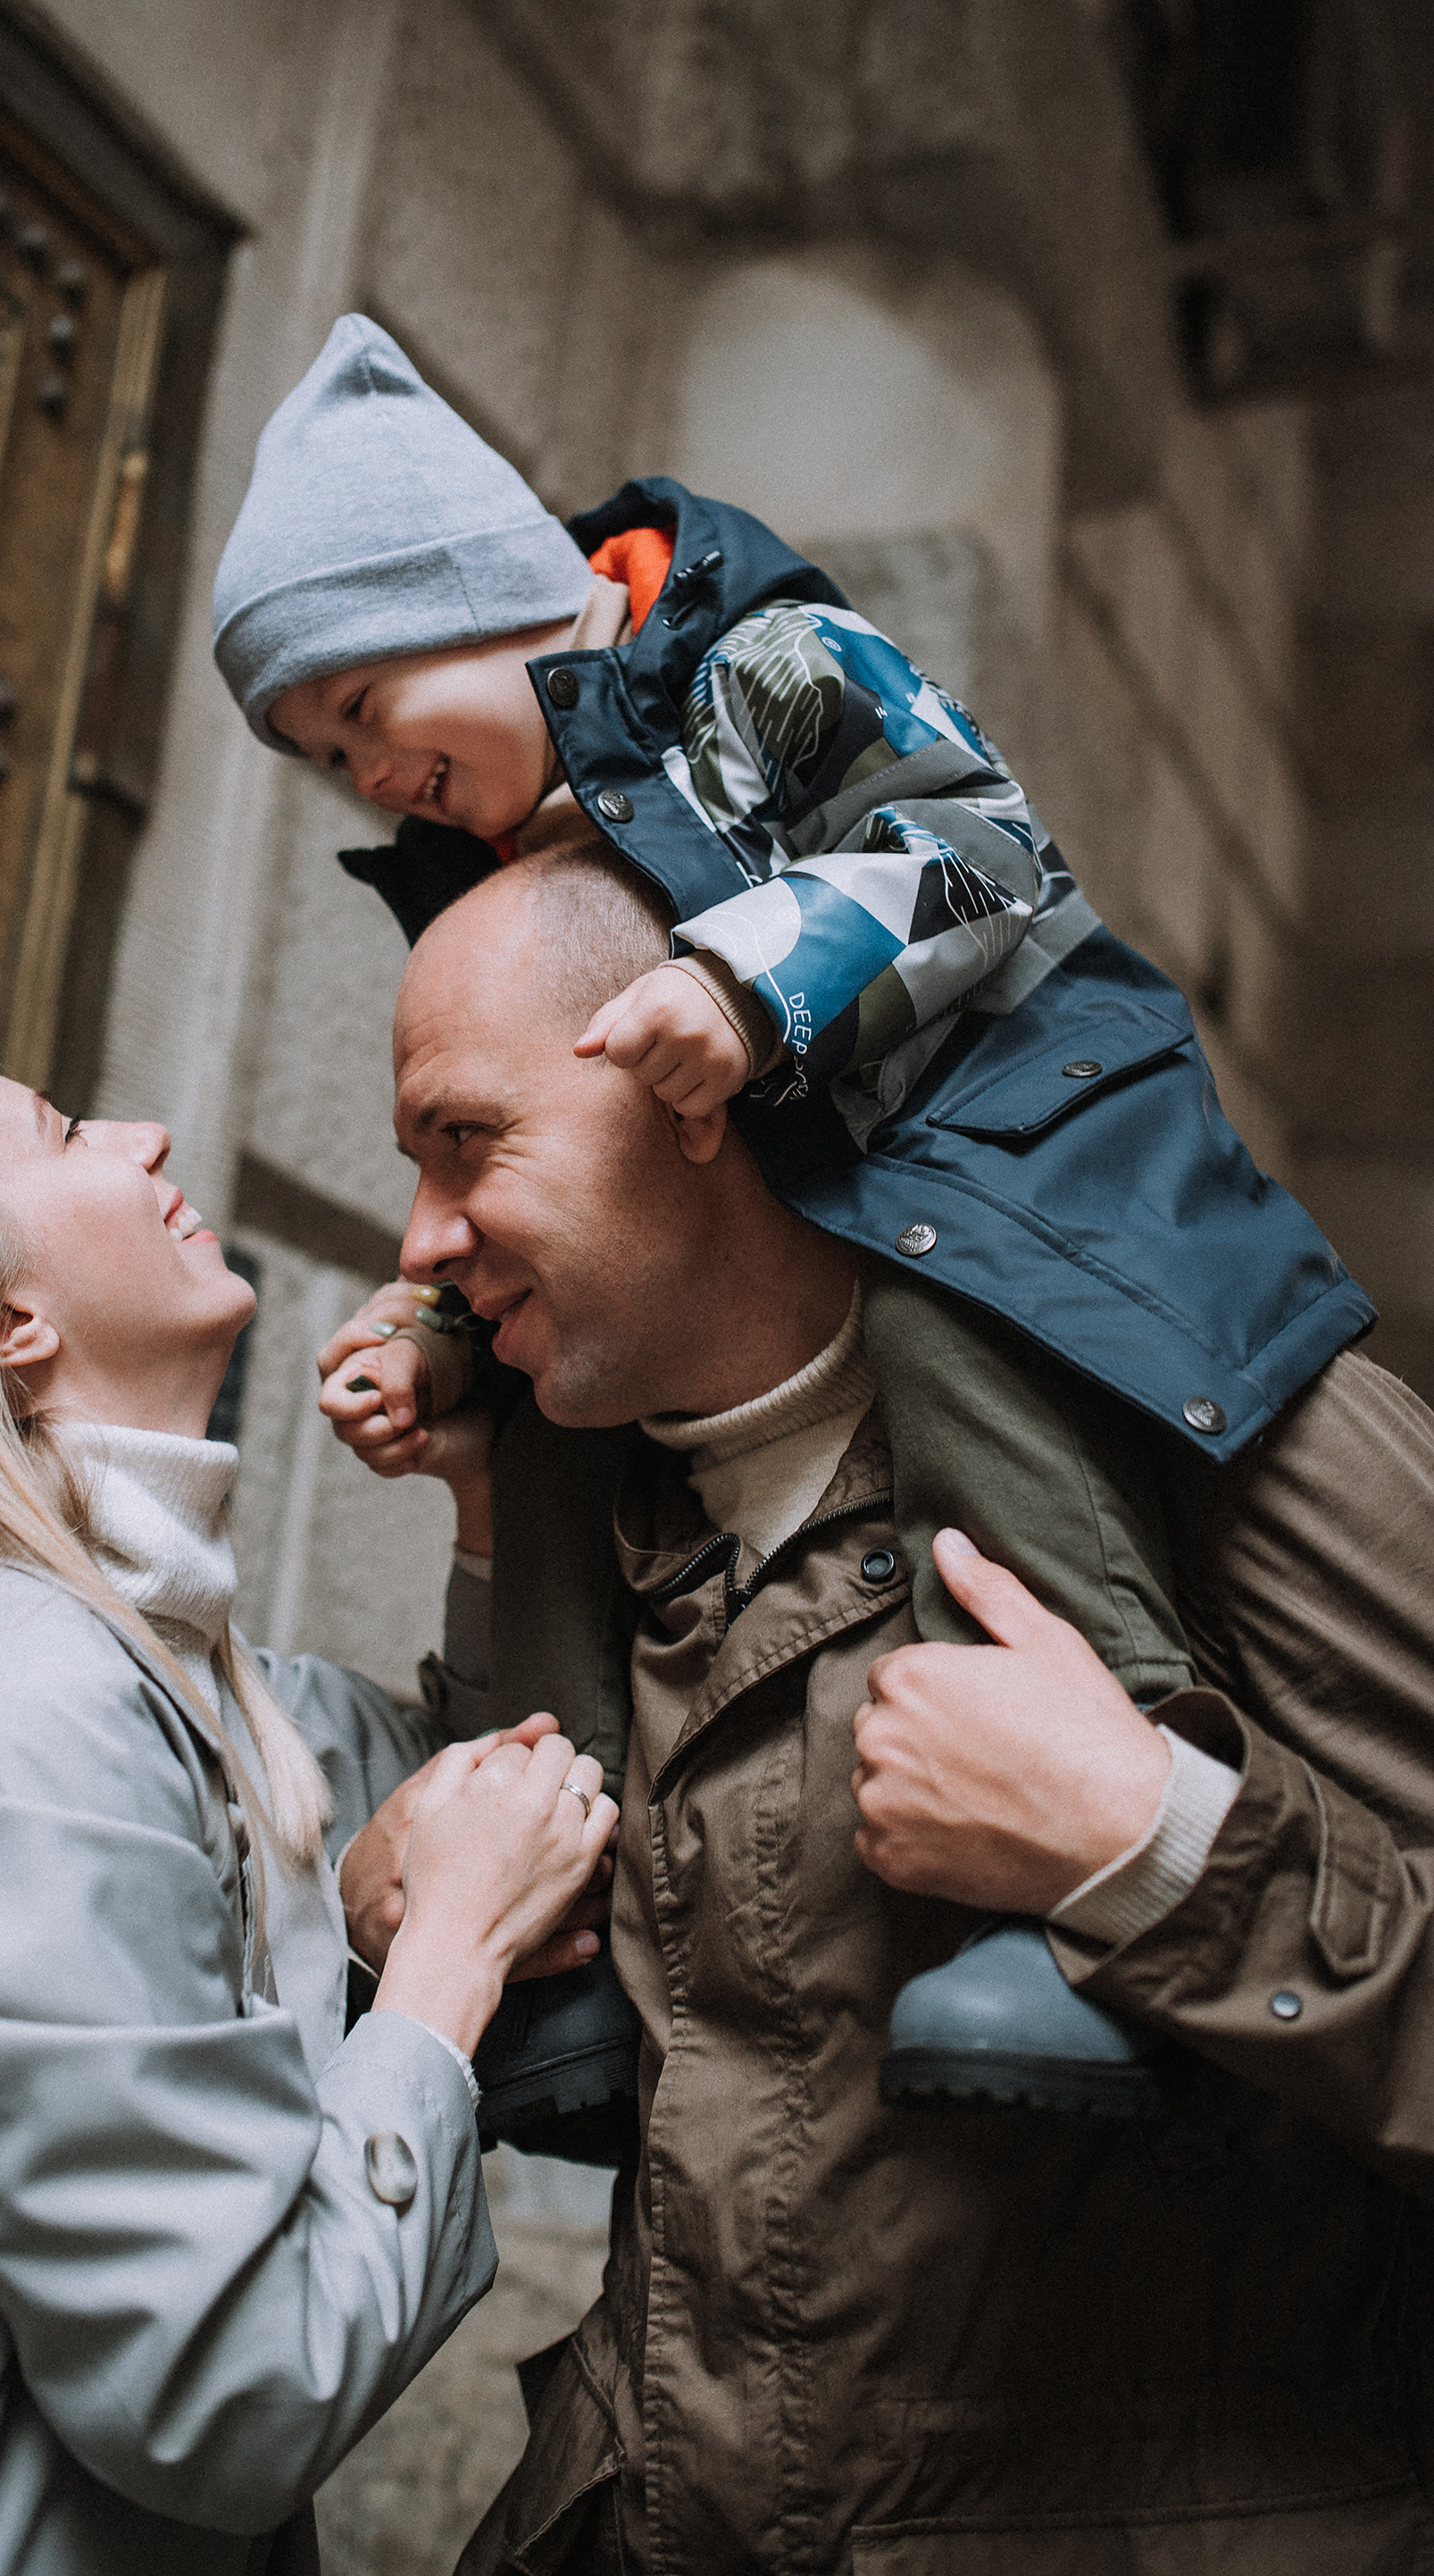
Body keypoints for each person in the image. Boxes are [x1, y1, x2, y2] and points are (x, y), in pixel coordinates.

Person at [210, 314, 1371, 2111]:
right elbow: (524, 1147)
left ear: (483, 595)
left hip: (991, 1140)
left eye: (363, 710)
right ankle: (559, 1918)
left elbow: (980, 841)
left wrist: (757, 981)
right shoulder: (489, 849)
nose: (364, 778)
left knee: (967, 1362)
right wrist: (445, 1324)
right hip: (834, 1181)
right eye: (321, 757)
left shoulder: (755, 661)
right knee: (553, 1422)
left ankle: (1098, 1822)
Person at [336, 842, 1434, 2573]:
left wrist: (1155, 1845)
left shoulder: (1225, 1434)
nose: (421, 1241)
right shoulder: (592, 1518)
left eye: (465, 1140)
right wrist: (405, 1913)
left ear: (694, 1083)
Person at [0, 1030, 617, 2576]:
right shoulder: (8, 1701)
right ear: (8, 1323)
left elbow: (495, 1793)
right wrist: (445, 1964)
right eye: (65, 1131)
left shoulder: (126, 1664)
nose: (143, 1137)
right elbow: (238, 2389)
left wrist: (486, 1488)